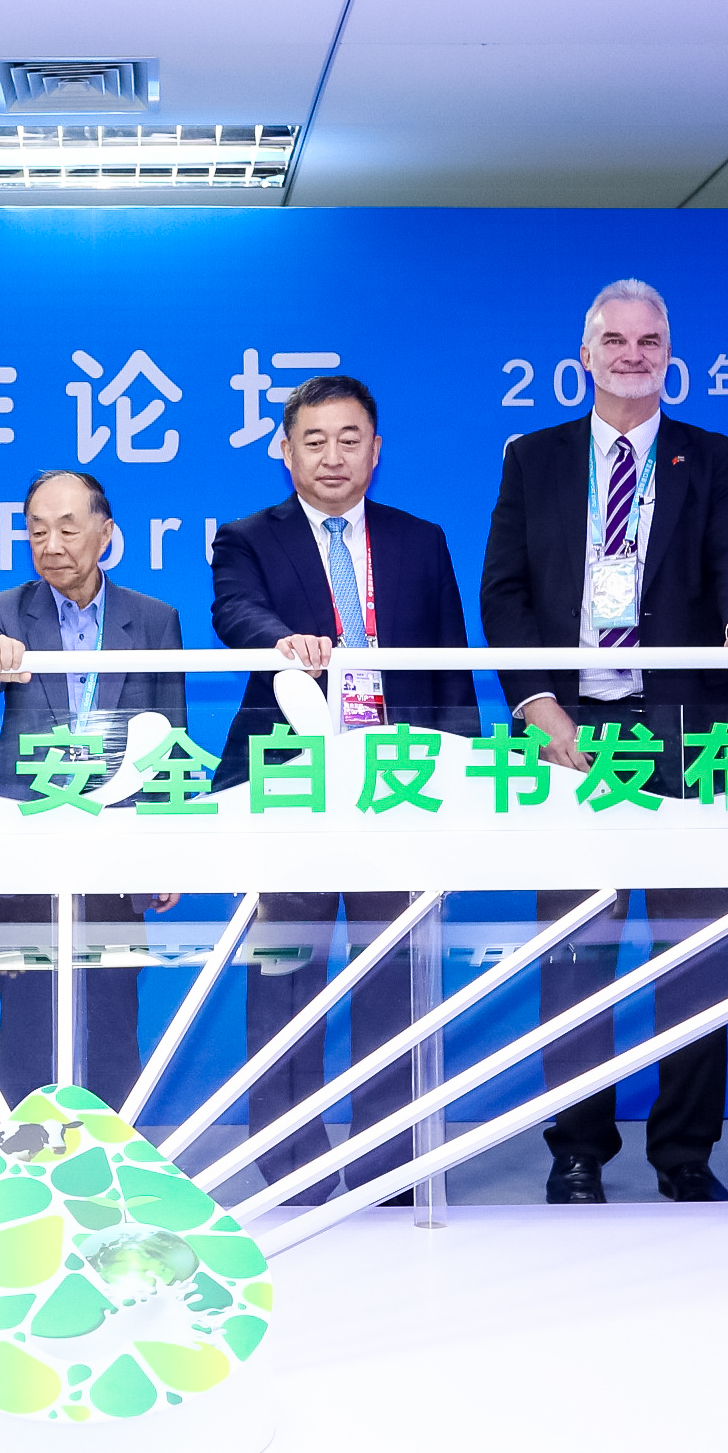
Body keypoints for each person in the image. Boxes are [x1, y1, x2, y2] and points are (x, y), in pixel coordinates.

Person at [478, 278, 728, 1205]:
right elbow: (504, 590)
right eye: (615, 340)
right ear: (586, 355)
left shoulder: (711, 456)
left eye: (650, 341)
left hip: (687, 729)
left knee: (695, 952)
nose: (633, 355)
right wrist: (537, 704)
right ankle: (577, 1149)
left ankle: (685, 1153)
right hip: (572, 732)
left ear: (669, 355)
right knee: (575, 955)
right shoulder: (533, 457)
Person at [209, 374, 479, 1197]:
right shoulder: (247, 536)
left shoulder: (420, 539)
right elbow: (235, 614)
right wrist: (286, 642)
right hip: (292, 780)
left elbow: (451, 661)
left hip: (399, 782)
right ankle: (288, 1161)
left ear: (376, 449)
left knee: (391, 977)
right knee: (284, 976)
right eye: (314, 440)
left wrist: (462, 775)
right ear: (286, 451)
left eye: (349, 438)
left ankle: (386, 1162)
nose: (332, 456)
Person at [0, 468, 186, 1112]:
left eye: (67, 528)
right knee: (27, 1017)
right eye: (37, 532)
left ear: (105, 533)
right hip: (27, 840)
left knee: (114, 1015)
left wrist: (167, 848)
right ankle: (25, 1154)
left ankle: (117, 1151)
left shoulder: (154, 618)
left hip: (118, 841)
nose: (52, 545)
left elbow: (170, 735)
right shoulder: (4, 611)